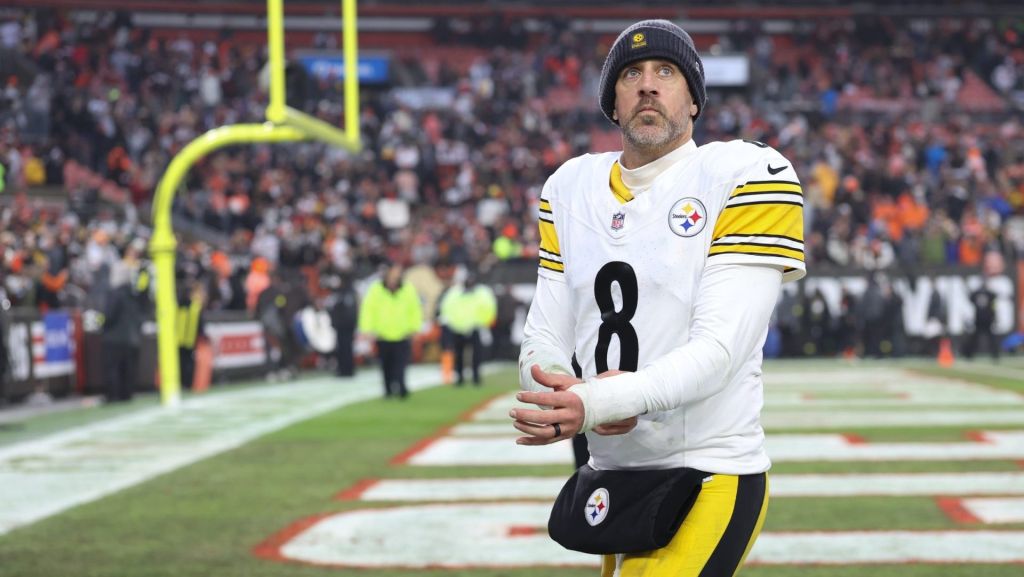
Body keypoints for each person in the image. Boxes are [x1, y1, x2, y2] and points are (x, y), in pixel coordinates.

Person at [510, 20, 805, 577]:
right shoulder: (570, 188)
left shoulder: (746, 173)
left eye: (666, 73)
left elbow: (720, 350)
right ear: (612, 106)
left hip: (709, 472)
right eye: (631, 74)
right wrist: (554, 388)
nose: (648, 85)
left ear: (693, 101)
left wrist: (600, 403)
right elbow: (544, 334)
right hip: (612, 475)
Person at [358, 263, 422, 399]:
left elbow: (415, 309)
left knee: (401, 363)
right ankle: (388, 389)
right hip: (383, 333)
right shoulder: (376, 290)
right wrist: (366, 329)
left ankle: (401, 387)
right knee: (386, 364)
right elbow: (368, 310)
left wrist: (415, 328)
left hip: (402, 333)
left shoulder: (407, 289)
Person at [439, 271, 497, 386]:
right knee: (459, 355)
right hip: (458, 328)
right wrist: (453, 324)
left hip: (475, 328)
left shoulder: (482, 294)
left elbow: (489, 309)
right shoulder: (455, 293)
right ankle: (460, 377)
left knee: (476, 355)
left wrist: (482, 323)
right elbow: (447, 308)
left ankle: (476, 377)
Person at [101, 261, 147, 402]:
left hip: (115, 338)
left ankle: (114, 395)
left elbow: (109, 316)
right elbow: (140, 316)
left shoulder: (115, 294)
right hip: (132, 338)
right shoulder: (133, 295)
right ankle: (127, 394)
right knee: (128, 369)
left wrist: (101, 324)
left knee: (113, 368)